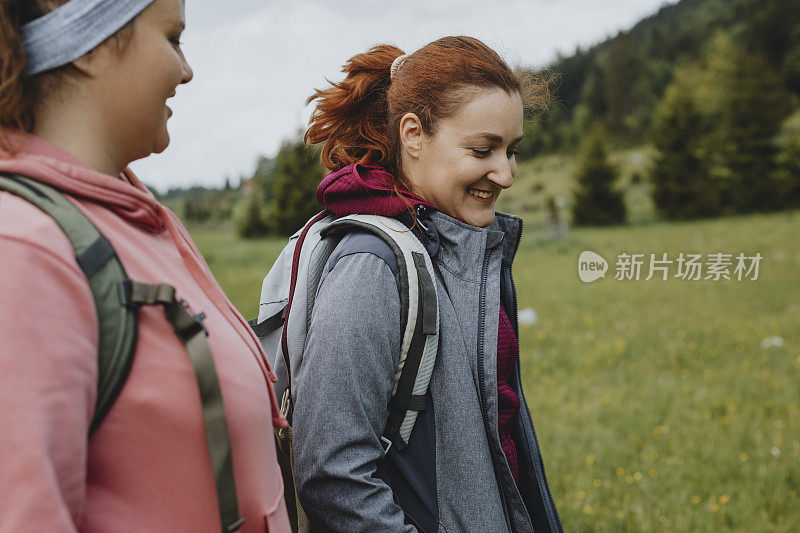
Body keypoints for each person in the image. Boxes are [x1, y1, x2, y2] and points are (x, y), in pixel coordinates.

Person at [0, 1, 290, 531]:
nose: (187, 69)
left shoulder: (132, 216)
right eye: (173, 38)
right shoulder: (24, 248)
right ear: (89, 44)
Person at [289, 36, 564, 532]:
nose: (505, 173)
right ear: (414, 135)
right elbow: (332, 474)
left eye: (512, 150)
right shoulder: (372, 267)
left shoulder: (456, 247)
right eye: (483, 149)